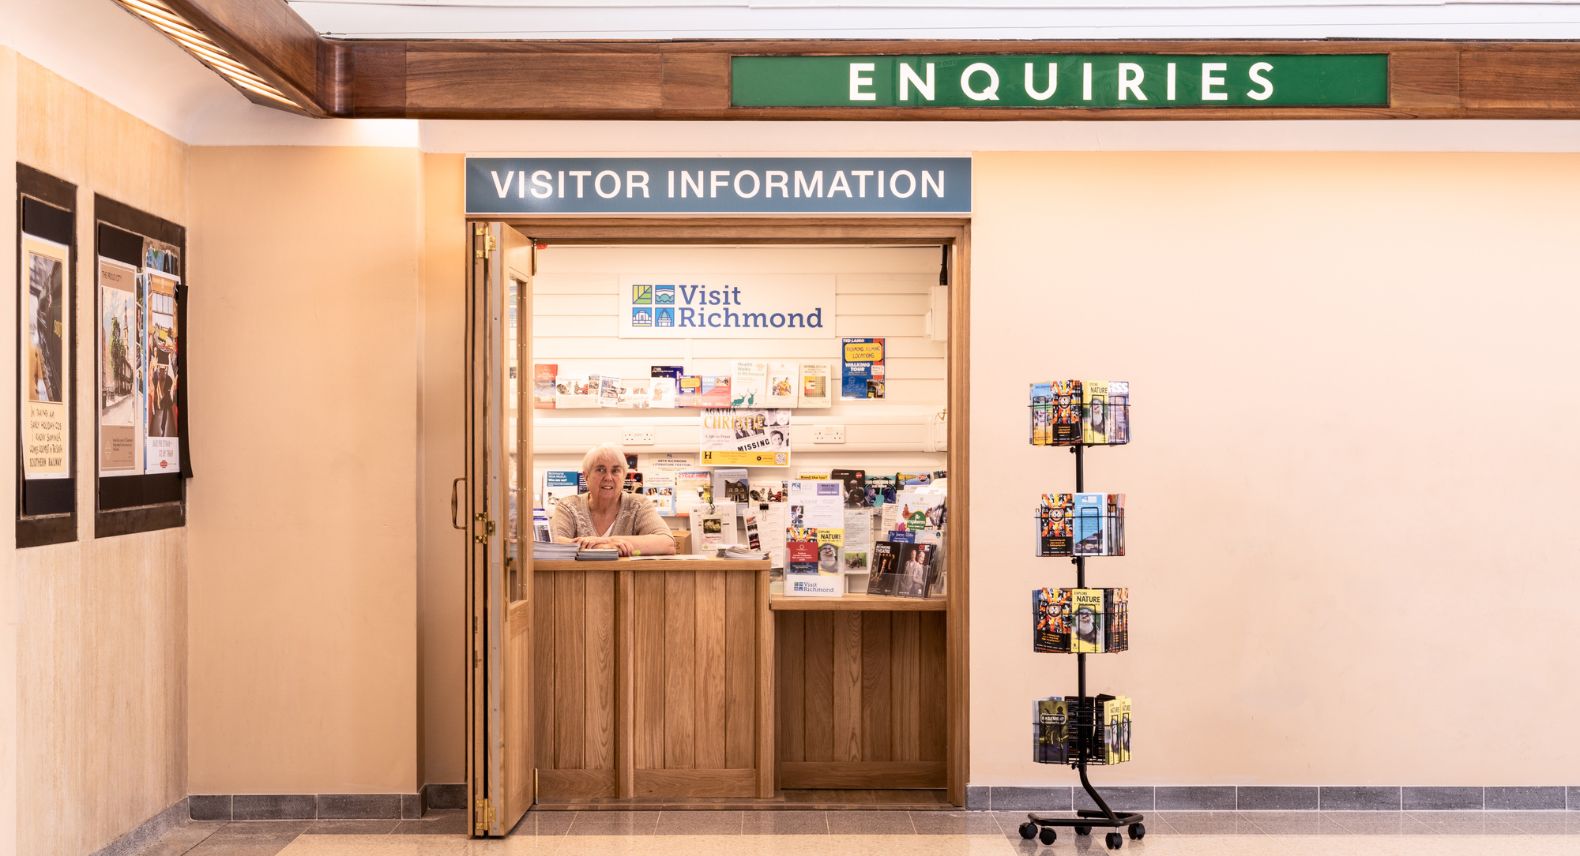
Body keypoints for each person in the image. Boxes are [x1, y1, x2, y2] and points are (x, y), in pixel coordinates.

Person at [549, 443, 675, 557]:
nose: (608, 477)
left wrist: (606, 541)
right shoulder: (569, 506)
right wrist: (602, 548)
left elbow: (667, 543)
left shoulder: (638, 505)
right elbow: (551, 542)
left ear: (624, 476)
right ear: (586, 476)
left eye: (615, 471)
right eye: (600, 469)